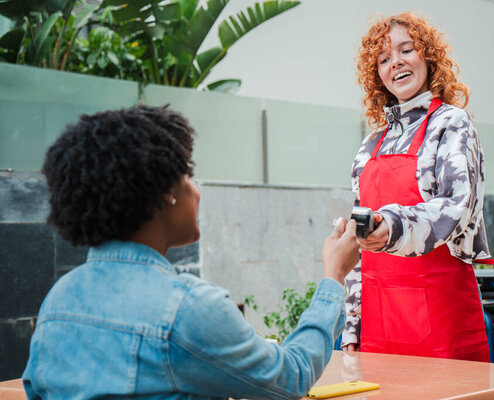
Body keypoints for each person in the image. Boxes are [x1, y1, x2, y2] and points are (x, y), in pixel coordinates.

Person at [22, 105, 360, 399]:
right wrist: (333, 277)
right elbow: (291, 378)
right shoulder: (187, 309)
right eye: (189, 175)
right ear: (165, 193)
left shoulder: (58, 300)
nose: (196, 190)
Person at [342, 12, 494, 361]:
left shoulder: (451, 124)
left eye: (406, 50)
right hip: (380, 326)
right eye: (383, 59)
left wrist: (392, 226)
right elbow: (358, 239)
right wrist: (352, 322)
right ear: (377, 75)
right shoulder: (371, 144)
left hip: (443, 321)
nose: (395, 62)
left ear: (427, 55)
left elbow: (456, 206)